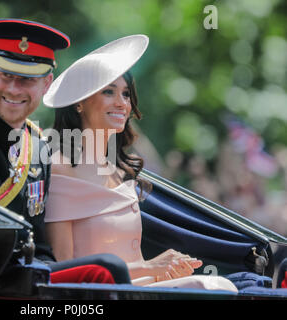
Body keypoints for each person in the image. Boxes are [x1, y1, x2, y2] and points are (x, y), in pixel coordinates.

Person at [0, 18, 131, 284]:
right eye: (6, 76)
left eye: (27, 80)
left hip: (21, 276)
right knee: (107, 269)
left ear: (47, 84)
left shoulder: (38, 145)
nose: (14, 90)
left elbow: (39, 244)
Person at [43, 35, 238, 292]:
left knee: (227, 286)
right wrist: (151, 267)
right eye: (109, 92)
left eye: (126, 94)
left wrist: (165, 270)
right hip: (94, 297)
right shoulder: (61, 167)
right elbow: (63, 266)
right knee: (213, 287)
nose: (122, 103)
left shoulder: (121, 171)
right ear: (79, 102)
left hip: (136, 290)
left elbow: (134, 264)